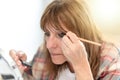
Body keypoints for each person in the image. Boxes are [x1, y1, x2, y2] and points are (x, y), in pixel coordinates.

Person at [9, 0, 120, 80]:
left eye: (61, 35)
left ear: (82, 34)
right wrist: (21, 70)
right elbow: (32, 77)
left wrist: (81, 66)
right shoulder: (44, 51)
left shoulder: (111, 59)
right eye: (47, 34)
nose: (49, 45)